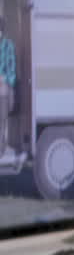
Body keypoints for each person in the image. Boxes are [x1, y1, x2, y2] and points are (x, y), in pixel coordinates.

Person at [0, 15, 16, 162]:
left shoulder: (8, 45)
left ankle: (1, 148)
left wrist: (6, 81)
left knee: (2, 121)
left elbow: (11, 69)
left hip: (3, 90)